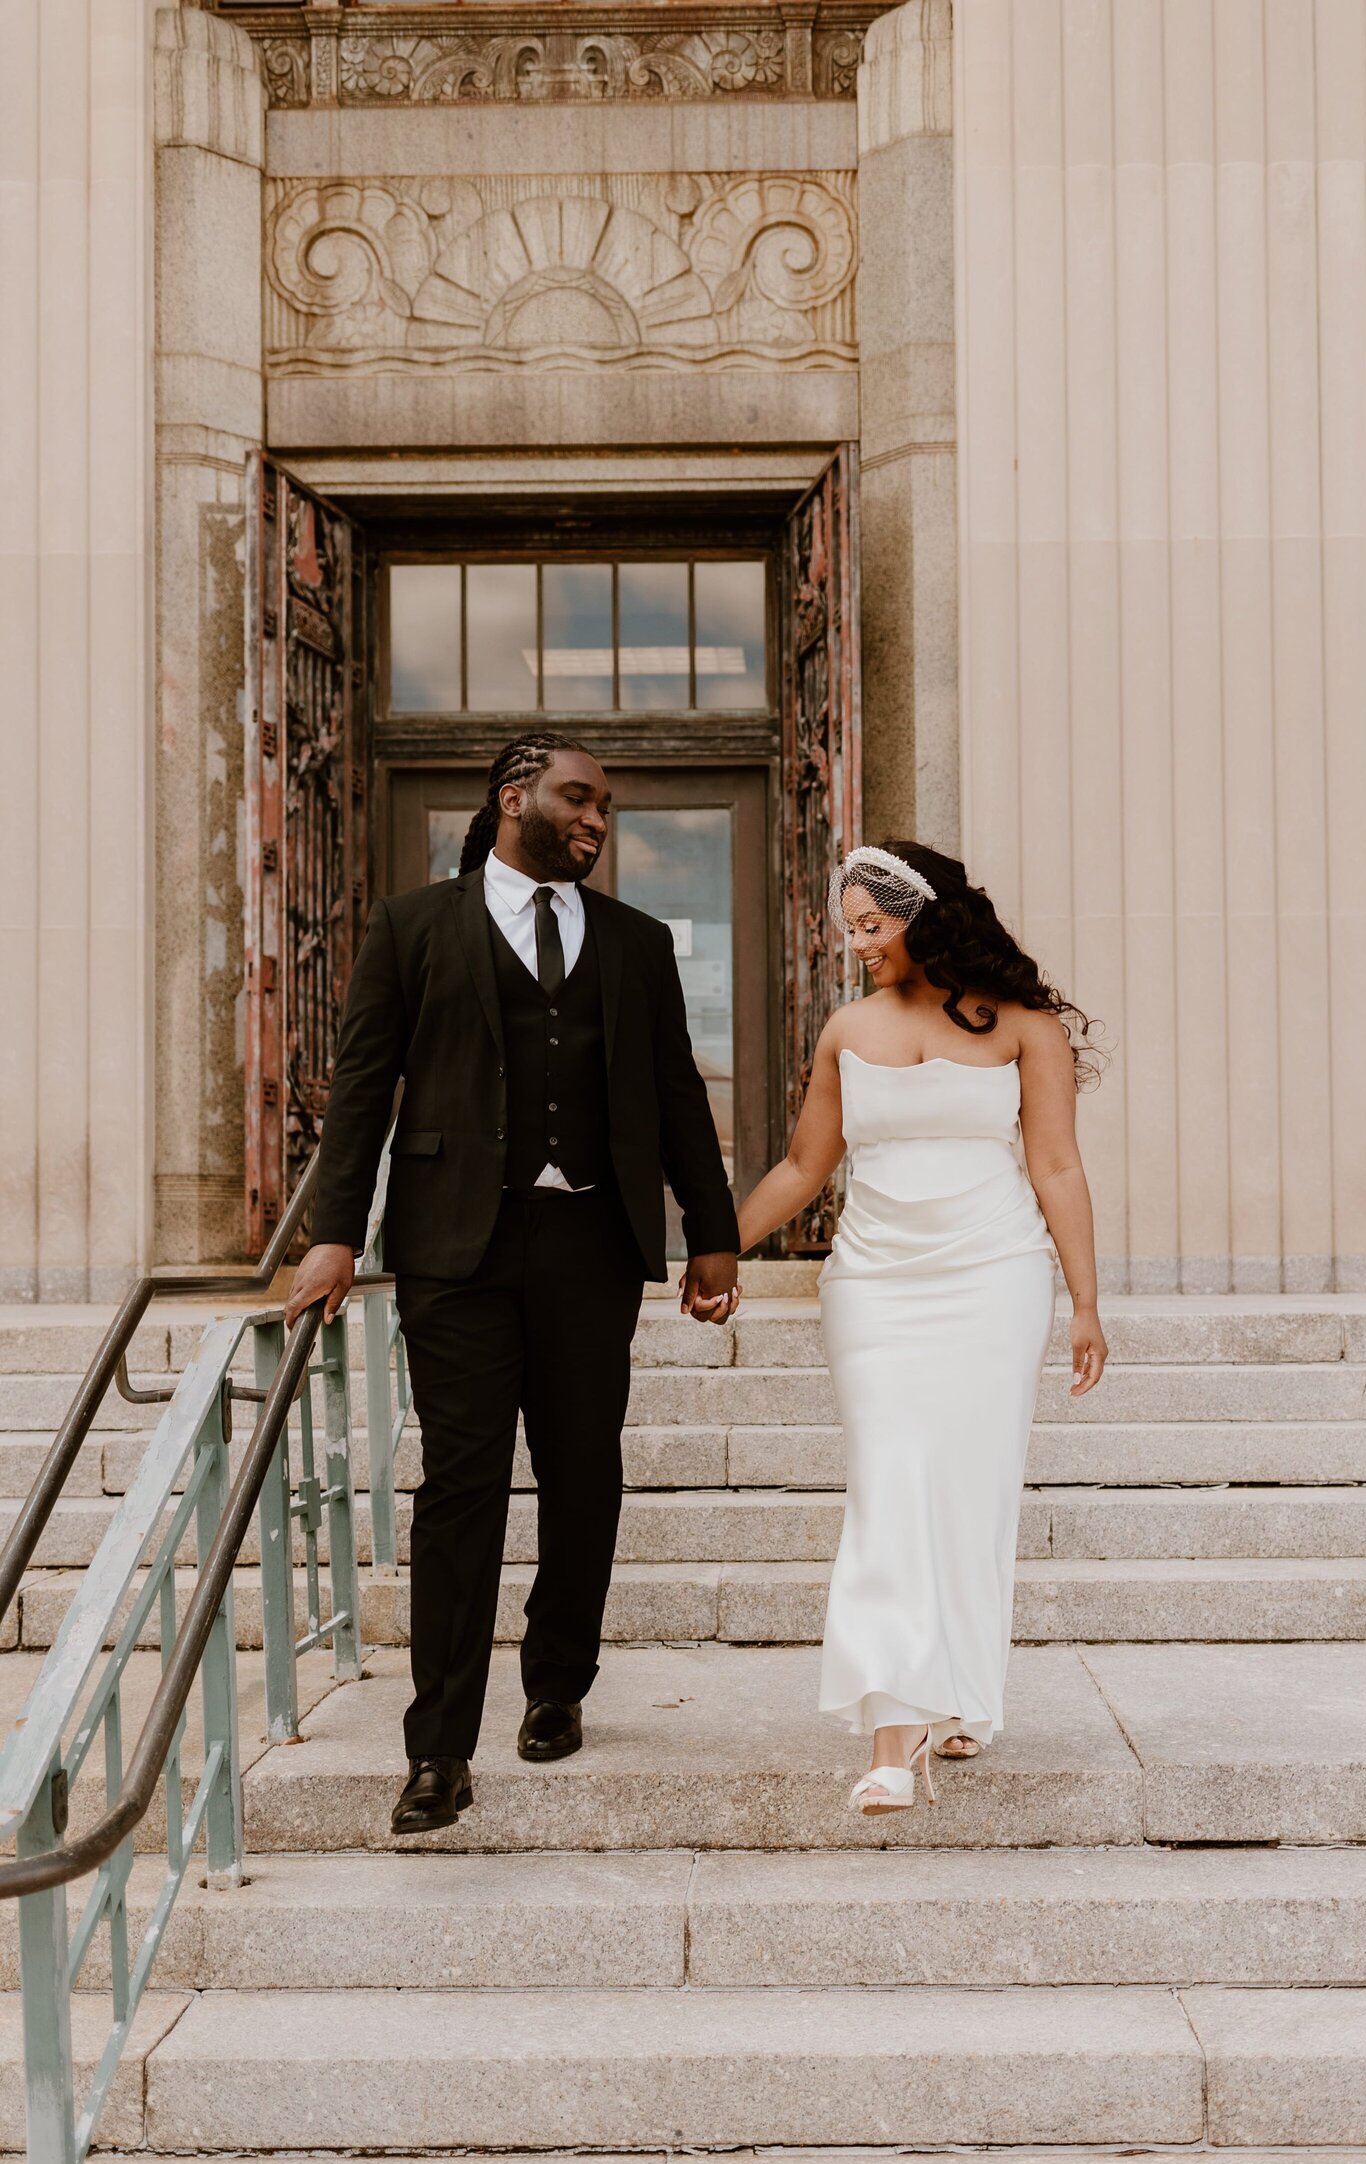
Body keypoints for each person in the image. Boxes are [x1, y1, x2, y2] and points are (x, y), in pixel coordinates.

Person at [285, 735, 740, 1836]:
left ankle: (557, 1683)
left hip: (592, 1244)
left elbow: (674, 1088)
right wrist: (333, 1233)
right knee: (460, 1490)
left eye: (606, 807)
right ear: (512, 800)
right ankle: (439, 1747)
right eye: (578, 799)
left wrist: (712, 1233)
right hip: (456, 1250)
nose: (597, 820)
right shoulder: (411, 927)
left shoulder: (635, 941)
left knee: (584, 1475)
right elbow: (361, 1089)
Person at [736, 842, 1106, 1814]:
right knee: (889, 1487)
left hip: (995, 1278)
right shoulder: (844, 1031)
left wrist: (1086, 1303)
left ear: (926, 917)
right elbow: (799, 1170)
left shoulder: (1025, 1030)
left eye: (872, 924)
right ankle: (894, 1740)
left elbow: (1057, 1168)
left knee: (969, 1494)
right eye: (848, 925)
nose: (856, 943)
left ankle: (959, 1699)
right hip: (874, 1286)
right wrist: (712, 1247)